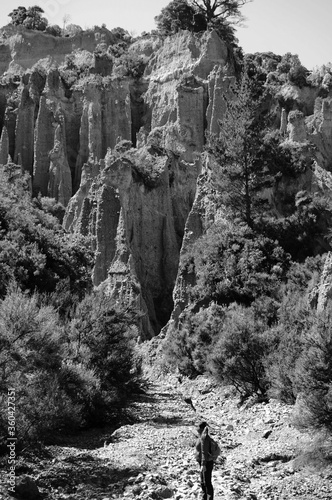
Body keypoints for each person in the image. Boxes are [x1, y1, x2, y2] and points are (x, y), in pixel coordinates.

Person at [195, 421, 215, 500]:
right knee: (203, 482)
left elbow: (204, 452)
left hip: (206, 463)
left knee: (207, 483)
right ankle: (204, 498)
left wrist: (203, 465)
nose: (197, 429)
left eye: (198, 427)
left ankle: (209, 498)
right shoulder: (202, 436)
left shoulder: (204, 438)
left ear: (202, 428)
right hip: (204, 462)